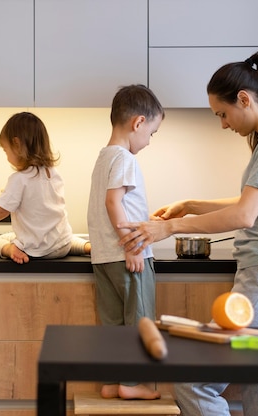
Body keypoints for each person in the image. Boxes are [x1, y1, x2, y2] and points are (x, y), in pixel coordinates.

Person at [118, 52, 258, 415]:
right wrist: (191, 204)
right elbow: (253, 202)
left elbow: (244, 214)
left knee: (193, 380)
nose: (224, 125)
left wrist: (168, 228)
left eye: (222, 114)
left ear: (244, 98)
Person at [87, 84, 165, 400]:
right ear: (138, 123)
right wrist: (132, 246)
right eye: (152, 133)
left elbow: (107, 205)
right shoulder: (124, 158)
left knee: (112, 323)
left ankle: (110, 381)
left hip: (104, 258)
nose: (148, 142)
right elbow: (112, 203)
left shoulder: (103, 157)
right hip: (128, 255)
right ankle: (131, 383)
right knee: (140, 321)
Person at [0, 111, 90, 264]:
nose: (6, 156)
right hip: (62, 244)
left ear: (16, 145)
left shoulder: (19, 179)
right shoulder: (52, 173)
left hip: (36, 250)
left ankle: (10, 250)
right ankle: (85, 246)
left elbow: (2, 211)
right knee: (66, 238)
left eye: (5, 150)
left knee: (1, 240)